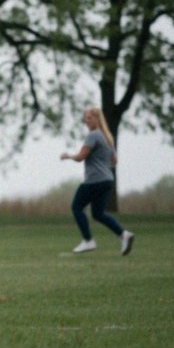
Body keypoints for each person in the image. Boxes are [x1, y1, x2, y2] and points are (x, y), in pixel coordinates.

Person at [60, 106, 135, 255]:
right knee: (98, 214)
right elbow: (114, 161)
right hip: (107, 180)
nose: (86, 121)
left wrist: (68, 156)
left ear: (97, 119)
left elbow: (81, 157)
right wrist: (101, 162)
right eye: (85, 119)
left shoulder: (93, 135)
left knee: (76, 207)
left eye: (89, 118)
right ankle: (124, 235)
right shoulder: (107, 136)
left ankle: (88, 240)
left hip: (94, 180)